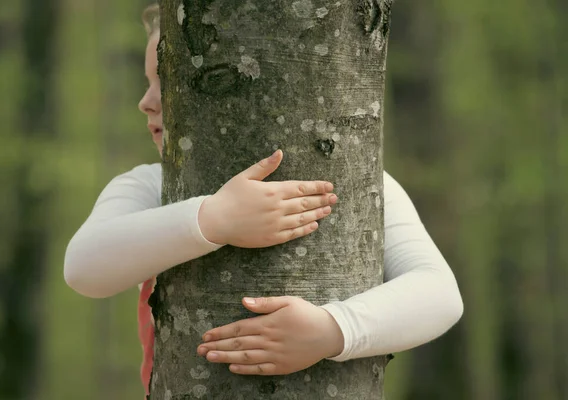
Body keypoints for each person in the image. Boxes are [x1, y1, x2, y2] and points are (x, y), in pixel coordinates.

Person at [63, 4, 464, 397]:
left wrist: (332, 329)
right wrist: (213, 219)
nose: (146, 102)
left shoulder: (360, 185)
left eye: (165, 82)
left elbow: (439, 294)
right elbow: (84, 267)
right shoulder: (149, 185)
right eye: (148, 82)